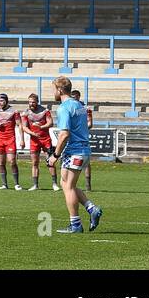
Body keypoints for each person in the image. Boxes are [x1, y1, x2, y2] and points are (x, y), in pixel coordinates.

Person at [52, 75, 102, 234]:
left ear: (60, 90)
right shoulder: (79, 105)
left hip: (74, 151)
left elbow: (64, 134)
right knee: (66, 184)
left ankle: (76, 225)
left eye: (54, 89)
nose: (53, 92)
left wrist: (55, 154)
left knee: (68, 186)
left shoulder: (64, 107)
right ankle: (91, 209)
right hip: (83, 149)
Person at [22, 92, 57, 191]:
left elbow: (50, 123)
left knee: (50, 162)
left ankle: (54, 184)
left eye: (33, 102)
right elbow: (24, 127)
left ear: (37, 102)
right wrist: (32, 134)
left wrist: (41, 127)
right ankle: (35, 185)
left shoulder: (45, 111)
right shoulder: (26, 113)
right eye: (29, 102)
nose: (31, 104)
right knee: (34, 163)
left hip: (46, 140)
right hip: (34, 141)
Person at [0, 93, 22, 190]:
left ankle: (16, 184)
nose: (0, 103)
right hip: (0, 140)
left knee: (12, 161)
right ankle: (4, 184)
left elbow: (19, 125)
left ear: (6, 101)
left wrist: (22, 139)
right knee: (1, 162)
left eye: (2, 101)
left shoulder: (14, 111)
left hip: (10, 139)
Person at [70, 89, 94, 192]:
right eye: (72, 97)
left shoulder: (84, 109)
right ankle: (69, 184)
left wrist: (81, 129)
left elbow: (90, 124)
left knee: (86, 162)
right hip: (71, 137)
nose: (73, 99)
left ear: (79, 97)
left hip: (82, 138)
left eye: (75, 97)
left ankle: (88, 185)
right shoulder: (69, 107)